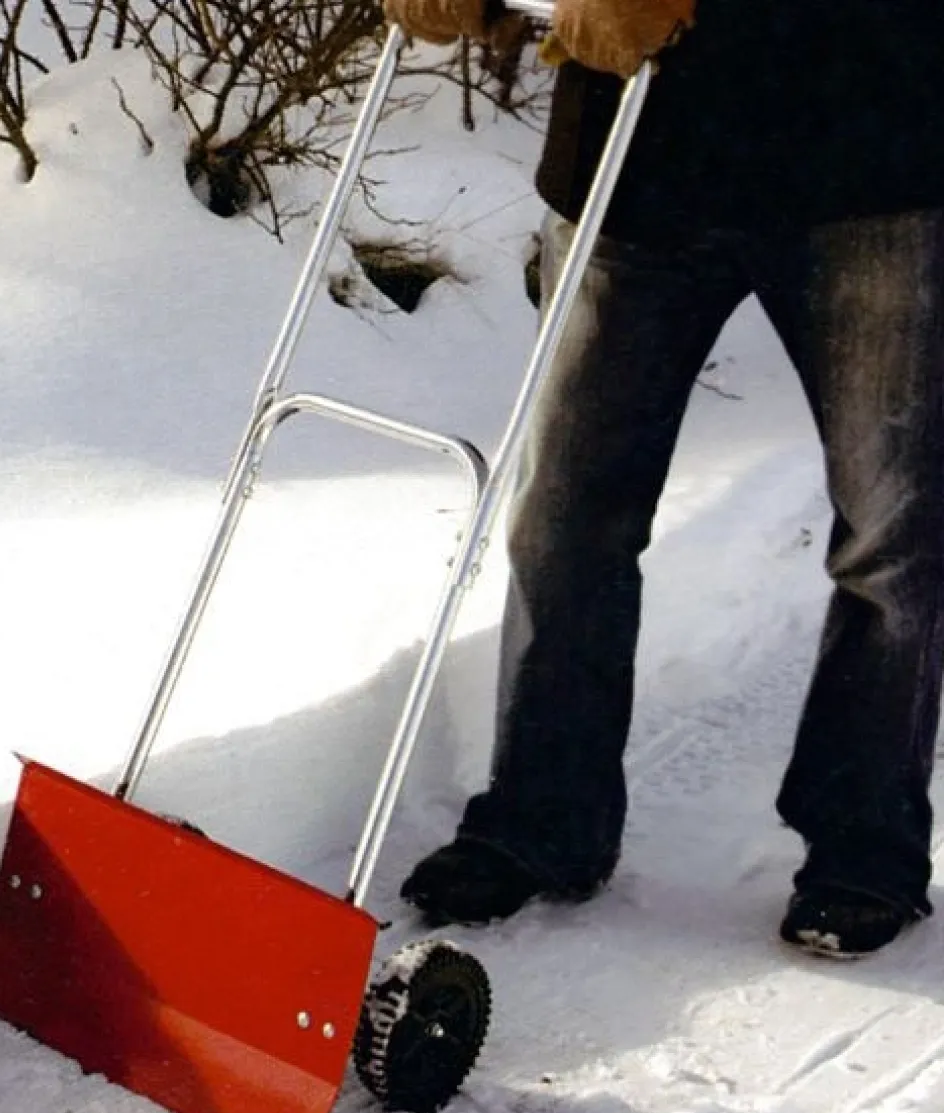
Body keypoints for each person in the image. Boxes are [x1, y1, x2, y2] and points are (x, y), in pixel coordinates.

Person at [384, 0, 944, 957]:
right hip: (633, 154)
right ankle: (542, 817)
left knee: (890, 532)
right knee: (564, 516)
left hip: (867, 149)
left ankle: (864, 844)